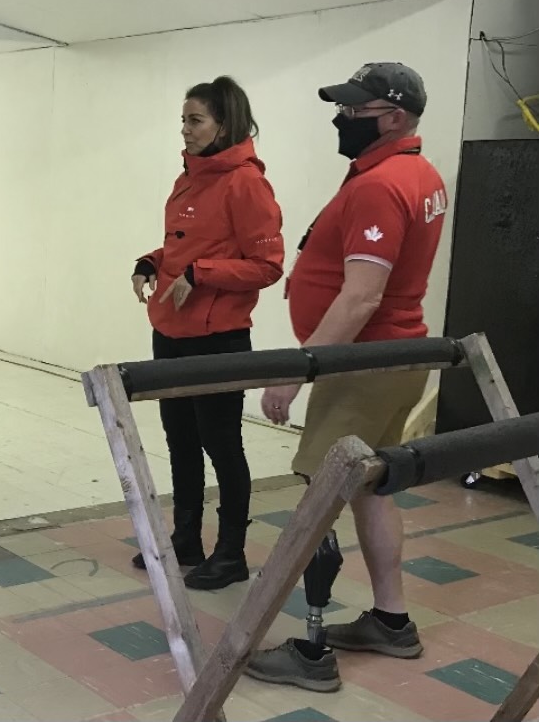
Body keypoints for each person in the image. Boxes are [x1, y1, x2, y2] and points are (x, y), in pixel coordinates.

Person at [246, 62, 446, 692]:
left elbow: (361, 297)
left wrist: (301, 371)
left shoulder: (381, 185)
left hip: (363, 363)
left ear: (393, 117)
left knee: (319, 500)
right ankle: (391, 621)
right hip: (398, 358)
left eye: (356, 110)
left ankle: (310, 652)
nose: (342, 118)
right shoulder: (421, 174)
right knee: (371, 489)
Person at [130, 76, 285, 591]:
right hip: (171, 331)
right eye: (184, 120)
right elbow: (183, 246)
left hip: (218, 338)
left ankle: (231, 553)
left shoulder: (246, 182)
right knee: (179, 440)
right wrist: (151, 262)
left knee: (222, 443)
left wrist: (202, 274)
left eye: (196, 120)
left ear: (225, 123)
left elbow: (267, 265)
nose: (186, 130)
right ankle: (187, 538)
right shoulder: (190, 178)